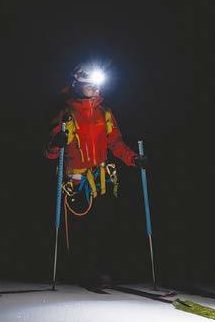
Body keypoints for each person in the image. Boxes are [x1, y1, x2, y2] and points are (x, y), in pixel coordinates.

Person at [45, 64, 147, 286]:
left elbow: (116, 143)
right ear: (77, 84)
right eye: (88, 84)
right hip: (76, 183)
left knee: (102, 228)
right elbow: (50, 154)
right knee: (79, 231)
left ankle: (99, 271)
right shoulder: (66, 113)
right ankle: (76, 271)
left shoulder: (105, 113)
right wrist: (55, 144)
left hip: (101, 181)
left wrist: (133, 159)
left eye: (96, 84)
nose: (94, 88)